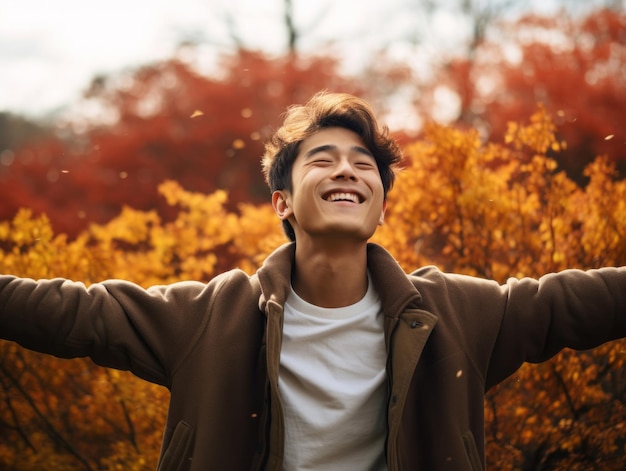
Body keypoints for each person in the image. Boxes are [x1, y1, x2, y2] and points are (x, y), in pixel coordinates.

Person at [0, 91, 625, 471]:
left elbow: (564, 305)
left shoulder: (454, 315)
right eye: (322, 160)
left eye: (364, 165)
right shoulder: (214, 317)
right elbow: (77, 314)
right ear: (282, 203)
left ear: (380, 203)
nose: (347, 171)